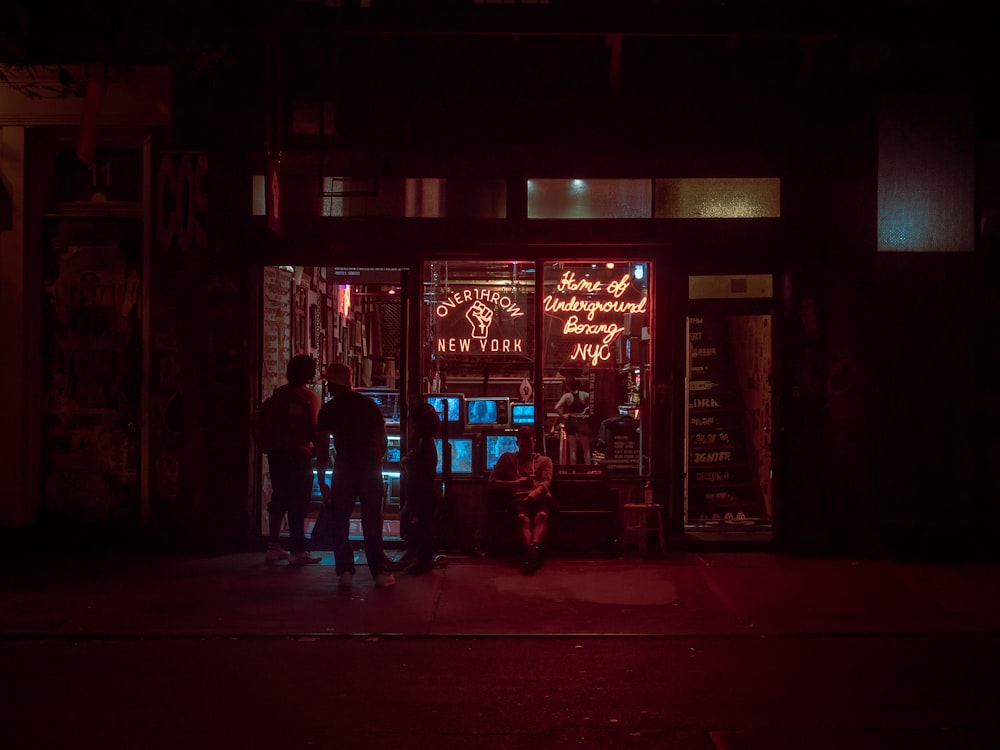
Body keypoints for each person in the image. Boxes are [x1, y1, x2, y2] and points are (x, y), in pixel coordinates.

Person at [316, 363, 395, 589]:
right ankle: (379, 571)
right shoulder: (369, 405)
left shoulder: (329, 410)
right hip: (371, 468)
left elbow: (322, 447)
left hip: (344, 469)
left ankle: (345, 571)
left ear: (332, 384)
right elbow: (383, 441)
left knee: (340, 520)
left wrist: (322, 477)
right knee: (372, 521)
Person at [263, 354, 323, 565]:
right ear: (309, 374)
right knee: (298, 501)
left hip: (277, 453)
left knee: (279, 497)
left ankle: (273, 546)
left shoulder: (278, 395)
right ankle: (298, 550)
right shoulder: (308, 398)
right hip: (299, 453)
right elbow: (314, 428)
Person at [488, 426, 556, 574]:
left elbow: (546, 483)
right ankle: (533, 552)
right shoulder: (507, 458)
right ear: (517, 443)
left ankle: (531, 552)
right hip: (517, 496)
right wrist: (518, 483)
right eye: (523, 445)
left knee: (542, 516)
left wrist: (535, 493)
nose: (526, 449)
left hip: (540, 495)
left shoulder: (544, 461)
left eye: (529, 445)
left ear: (535, 442)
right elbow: (492, 482)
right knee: (522, 519)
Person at [399, 402, 442, 574]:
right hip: (421, 492)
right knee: (415, 523)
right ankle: (417, 556)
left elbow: (418, 469)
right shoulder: (425, 442)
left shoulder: (425, 444)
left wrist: (407, 461)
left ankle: (422, 560)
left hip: (421, 493)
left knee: (419, 525)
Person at [554, 375, 592, 465]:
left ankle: (573, 471)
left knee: (572, 450)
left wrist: (563, 416)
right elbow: (594, 400)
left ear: (567, 386)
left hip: (571, 421)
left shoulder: (567, 396)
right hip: (582, 421)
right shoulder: (583, 394)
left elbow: (556, 408)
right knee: (586, 449)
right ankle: (589, 471)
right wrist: (586, 411)